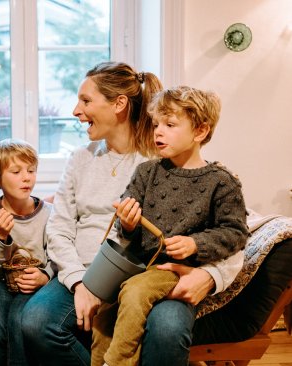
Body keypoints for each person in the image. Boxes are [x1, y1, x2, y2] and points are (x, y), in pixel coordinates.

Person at [20, 61, 245, 366]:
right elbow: (59, 228)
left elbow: (235, 233)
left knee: (166, 328)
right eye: (157, 124)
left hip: (144, 275)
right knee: (36, 322)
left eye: (86, 101)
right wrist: (79, 282)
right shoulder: (82, 160)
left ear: (119, 105)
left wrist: (209, 275)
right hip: (84, 271)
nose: (75, 110)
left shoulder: (167, 160)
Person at [97, 86, 249, 366]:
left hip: (175, 272)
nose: (158, 132)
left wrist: (196, 244)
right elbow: (126, 223)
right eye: (156, 124)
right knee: (104, 317)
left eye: (170, 124)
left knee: (135, 293)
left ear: (200, 131)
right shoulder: (146, 172)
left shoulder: (221, 181)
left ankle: (115, 363)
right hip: (137, 268)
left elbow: (236, 233)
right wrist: (128, 223)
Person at [0, 138, 55, 366]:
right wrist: (0, 236)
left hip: (35, 282)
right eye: (16, 171)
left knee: (18, 319)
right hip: (2, 282)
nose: (27, 177)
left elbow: (57, 255)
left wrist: (45, 276)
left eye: (31, 170)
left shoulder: (48, 214)